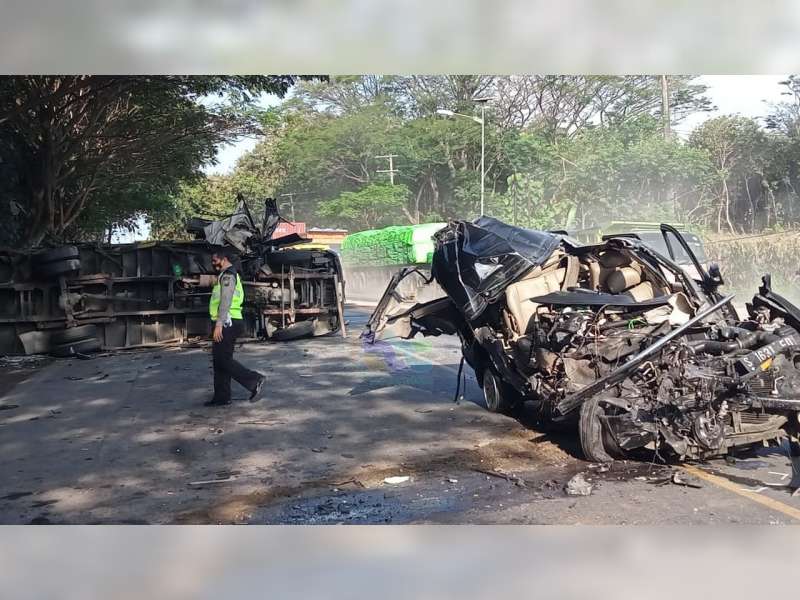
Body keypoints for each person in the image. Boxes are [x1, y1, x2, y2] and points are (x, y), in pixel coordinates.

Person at [205, 247, 265, 407]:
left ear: (224, 259)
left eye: (215, 260)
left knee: (222, 359)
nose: (213, 264)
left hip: (227, 322)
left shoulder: (229, 276)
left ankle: (254, 379)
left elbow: (226, 301)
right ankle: (221, 397)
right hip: (228, 321)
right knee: (219, 361)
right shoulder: (225, 275)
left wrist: (219, 324)